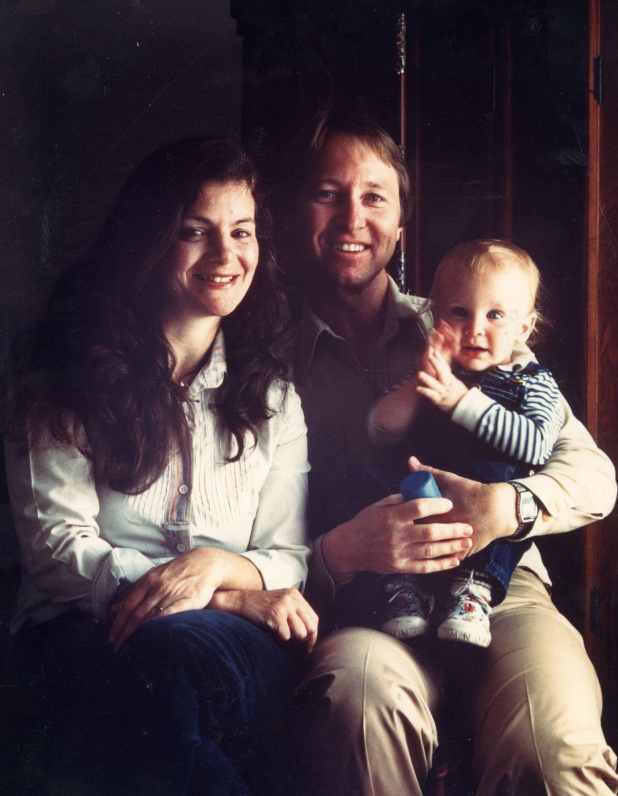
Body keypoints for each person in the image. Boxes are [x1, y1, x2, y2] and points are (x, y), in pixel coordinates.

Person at [283, 112, 618, 795]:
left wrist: (509, 504)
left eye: (374, 197)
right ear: (295, 212)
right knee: (359, 703)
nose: (353, 217)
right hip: (366, 594)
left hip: (499, 585)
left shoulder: (471, 326)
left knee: (553, 745)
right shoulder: (265, 352)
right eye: (328, 193)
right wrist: (342, 552)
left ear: (401, 224)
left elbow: (593, 475)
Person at [5, 138, 317, 796]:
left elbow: (287, 554)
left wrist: (216, 573)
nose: (226, 256)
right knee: (143, 681)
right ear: (149, 242)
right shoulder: (67, 378)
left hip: (230, 638)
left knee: (166, 666)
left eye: (242, 232)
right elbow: (58, 552)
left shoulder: (273, 399)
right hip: (80, 624)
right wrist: (217, 592)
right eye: (194, 232)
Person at [367, 239, 564, 648]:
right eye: (459, 312)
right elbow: (379, 430)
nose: (476, 328)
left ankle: (476, 590)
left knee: (506, 483)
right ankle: (403, 586)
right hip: (423, 509)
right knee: (385, 468)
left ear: (523, 328)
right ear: (435, 317)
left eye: (495, 315)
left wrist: (459, 400)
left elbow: (535, 447)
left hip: (485, 526)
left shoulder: (532, 381)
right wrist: (419, 385)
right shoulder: (434, 371)